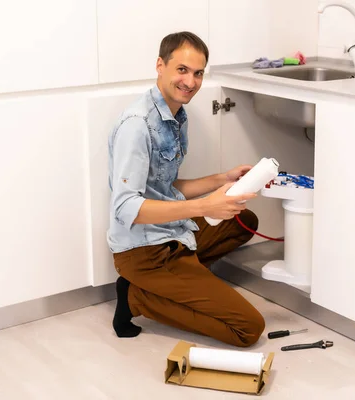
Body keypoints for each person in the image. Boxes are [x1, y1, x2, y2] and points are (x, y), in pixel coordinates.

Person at [107, 31, 265, 347]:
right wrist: (205, 207)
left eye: (198, 73)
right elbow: (126, 208)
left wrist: (223, 179)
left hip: (172, 230)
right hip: (144, 251)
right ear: (160, 65)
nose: (190, 82)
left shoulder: (176, 115)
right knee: (248, 328)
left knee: (245, 220)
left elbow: (165, 186)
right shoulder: (138, 125)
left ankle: (175, 282)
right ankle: (137, 297)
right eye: (182, 70)